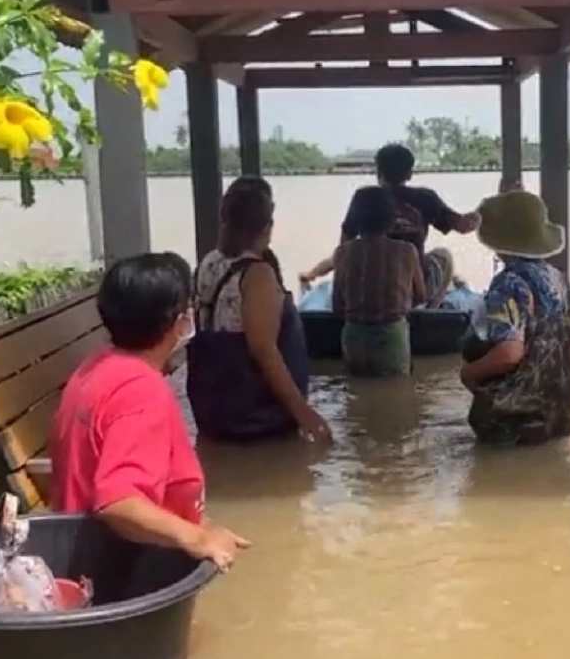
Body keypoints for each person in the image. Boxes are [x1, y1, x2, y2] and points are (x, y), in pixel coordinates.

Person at [48, 253, 250, 571]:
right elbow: (118, 501)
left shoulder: (94, 370)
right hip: (124, 577)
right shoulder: (141, 392)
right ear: (180, 323)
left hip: (79, 557)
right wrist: (199, 538)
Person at [187, 179, 332, 444]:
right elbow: (263, 349)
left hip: (213, 409)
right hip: (259, 414)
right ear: (268, 226)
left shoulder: (208, 263)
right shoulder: (257, 274)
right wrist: (303, 412)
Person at [459, 191, 570, 446]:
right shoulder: (560, 280)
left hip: (512, 420)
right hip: (561, 415)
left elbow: (509, 353)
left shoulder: (508, 284)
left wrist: (469, 374)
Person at [301, 144, 479, 305]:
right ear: (409, 174)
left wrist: (313, 273)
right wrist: (482, 214)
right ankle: (430, 310)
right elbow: (463, 226)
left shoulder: (363, 199)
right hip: (410, 284)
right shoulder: (425, 198)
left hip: (369, 281)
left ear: (378, 172)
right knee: (444, 256)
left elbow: (343, 250)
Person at [331, 186, 425, 376]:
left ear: (355, 218)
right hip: (392, 335)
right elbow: (421, 295)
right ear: (391, 217)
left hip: (354, 335)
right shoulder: (406, 251)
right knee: (396, 395)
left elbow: (337, 306)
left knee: (356, 393)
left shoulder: (343, 253)